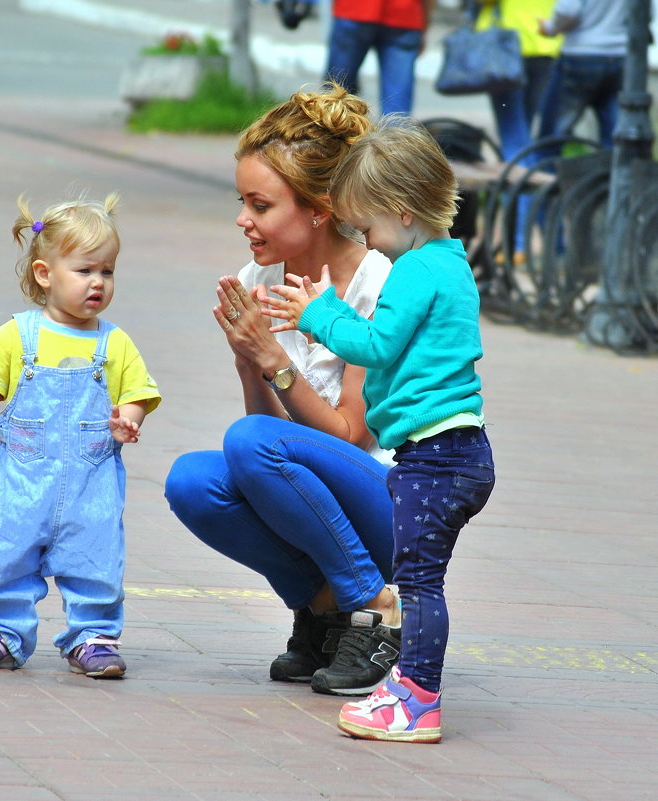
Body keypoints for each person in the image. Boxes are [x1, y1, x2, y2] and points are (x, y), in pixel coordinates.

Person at [261, 115, 495, 743]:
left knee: (418, 583)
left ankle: (418, 697)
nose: (367, 244)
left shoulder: (412, 271)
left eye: (367, 227)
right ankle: (411, 687)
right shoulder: (451, 261)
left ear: (402, 211)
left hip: (436, 455)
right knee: (420, 577)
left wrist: (317, 313)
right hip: (460, 449)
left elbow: (375, 345)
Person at [164, 84, 402, 697]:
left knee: (248, 441)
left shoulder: (379, 284)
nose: (244, 220)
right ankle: (323, 613)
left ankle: (374, 609)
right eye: (241, 201)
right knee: (192, 481)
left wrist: (273, 360)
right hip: (318, 492)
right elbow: (267, 445)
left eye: (261, 205)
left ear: (319, 208)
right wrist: (250, 367)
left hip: (388, 504)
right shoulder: (260, 276)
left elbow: (352, 435)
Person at [0, 193, 161, 678]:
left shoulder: (114, 343)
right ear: (45, 274)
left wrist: (131, 418)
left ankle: (93, 636)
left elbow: (138, 392)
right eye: (85, 271)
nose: (98, 283)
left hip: (91, 482)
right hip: (22, 480)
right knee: (6, 554)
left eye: (108, 271)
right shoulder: (16, 335)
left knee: (96, 561)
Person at [476, 0, 562, 259]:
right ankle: (544, 241)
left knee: (516, 144)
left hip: (507, 42)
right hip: (545, 43)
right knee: (525, 141)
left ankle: (519, 243)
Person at [536, 0, 628, 150]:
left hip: (581, 52)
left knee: (553, 134)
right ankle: (612, 171)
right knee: (614, 133)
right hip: (620, 55)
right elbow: (647, 13)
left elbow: (568, 10)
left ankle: (546, 168)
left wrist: (550, 28)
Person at [324, 0, 434, 115]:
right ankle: (396, 130)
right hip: (404, 13)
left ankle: (329, 127)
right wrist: (425, 23)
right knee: (397, 106)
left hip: (354, 9)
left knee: (335, 95)